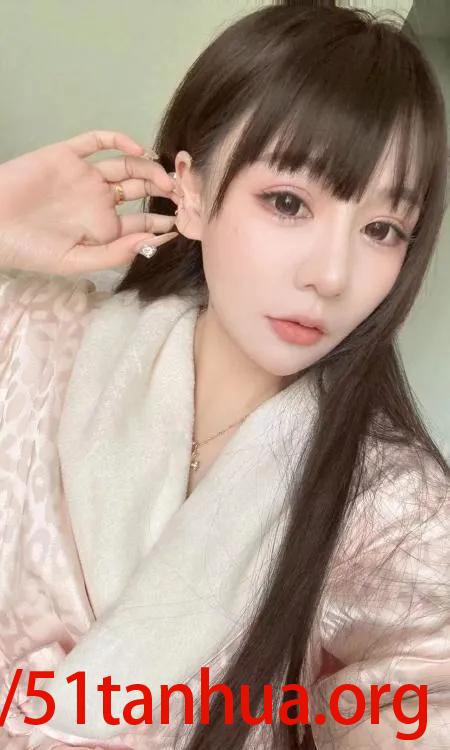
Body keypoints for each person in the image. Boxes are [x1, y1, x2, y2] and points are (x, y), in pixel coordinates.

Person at [1, 4, 450, 749]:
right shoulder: (33, 339)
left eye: (382, 230)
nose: (332, 275)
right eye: (288, 202)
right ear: (193, 193)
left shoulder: (392, 503)